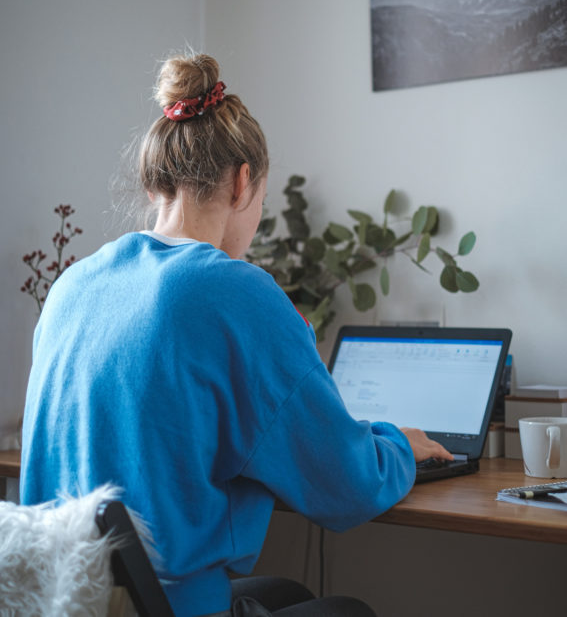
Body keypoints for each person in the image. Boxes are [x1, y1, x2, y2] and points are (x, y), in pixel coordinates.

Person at [20, 52, 452, 617]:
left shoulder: (71, 286)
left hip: (64, 601)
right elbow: (347, 487)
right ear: (245, 182)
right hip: (164, 607)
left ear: (155, 186)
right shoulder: (233, 290)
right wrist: (400, 445)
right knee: (347, 610)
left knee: (289, 596)